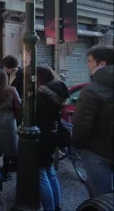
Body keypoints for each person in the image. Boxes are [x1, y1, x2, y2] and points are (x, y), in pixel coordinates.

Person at [72, 45, 114, 198]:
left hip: (97, 152)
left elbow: (81, 125)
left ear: (101, 64)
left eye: (90, 61)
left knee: (100, 198)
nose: (87, 65)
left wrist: (78, 145)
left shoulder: (91, 90)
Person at [36, 66, 69, 211]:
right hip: (52, 132)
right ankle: (57, 205)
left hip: (42, 135)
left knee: (41, 173)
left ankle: (49, 208)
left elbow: (36, 115)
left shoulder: (42, 95)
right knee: (49, 170)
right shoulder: (57, 91)